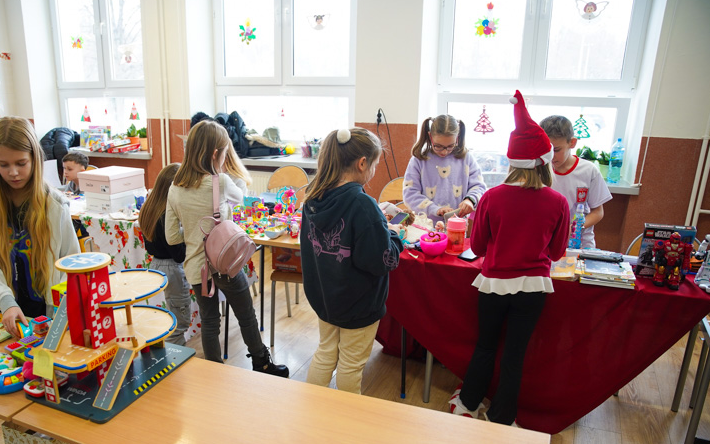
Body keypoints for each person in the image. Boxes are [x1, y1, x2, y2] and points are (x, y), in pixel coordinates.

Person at [450, 91, 570, 427]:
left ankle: (469, 402)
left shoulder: (491, 197)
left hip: (492, 283)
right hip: (533, 288)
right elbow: (558, 252)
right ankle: (503, 417)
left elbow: (481, 246)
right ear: (546, 161)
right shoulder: (557, 202)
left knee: (485, 346)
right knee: (515, 355)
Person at [165, 120, 287, 376]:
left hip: (196, 269)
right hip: (225, 265)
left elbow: (172, 237)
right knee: (246, 315)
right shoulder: (219, 181)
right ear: (215, 154)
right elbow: (243, 197)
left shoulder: (175, 187)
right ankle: (261, 363)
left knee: (210, 322)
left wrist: (194, 230)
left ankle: (214, 373)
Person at [300, 127, 403, 394]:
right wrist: (394, 237)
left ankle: (312, 408)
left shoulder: (313, 198)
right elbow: (381, 261)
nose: (374, 170)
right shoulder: (363, 204)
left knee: (325, 352)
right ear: (361, 163)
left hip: (325, 296)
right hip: (358, 303)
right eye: (375, 164)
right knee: (351, 364)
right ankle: (347, 422)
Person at [0, 116, 80, 339]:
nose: (13, 173)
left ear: (35, 159)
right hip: (7, 311)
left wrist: (62, 309)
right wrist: (5, 301)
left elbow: (70, 261)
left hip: (49, 312)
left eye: (21, 163)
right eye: (3, 165)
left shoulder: (55, 205)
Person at [539, 115, 613, 249]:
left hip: (580, 245)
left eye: (556, 150)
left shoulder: (589, 170)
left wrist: (574, 228)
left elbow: (598, 212)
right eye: (546, 150)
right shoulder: (538, 170)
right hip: (546, 244)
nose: (551, 156)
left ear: (572, 143)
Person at [138, 163, 192, 345]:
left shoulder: (149, 207)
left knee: (167, 317)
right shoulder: (166, 216)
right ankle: (176, 360)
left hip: (156, 266)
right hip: (172, 269)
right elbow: (178, 255)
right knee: (179, 322)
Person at [403, 115, 486, 226]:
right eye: (438, 146)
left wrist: (470, 200)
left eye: (450, 146)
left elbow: (479, 187)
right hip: (427, 226)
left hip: (458, 227)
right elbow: (410, 194)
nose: (444, 152)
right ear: (430, 137)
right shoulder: (419, 160)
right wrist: (435, 209)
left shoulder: (466, 158)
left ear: (457, 138)